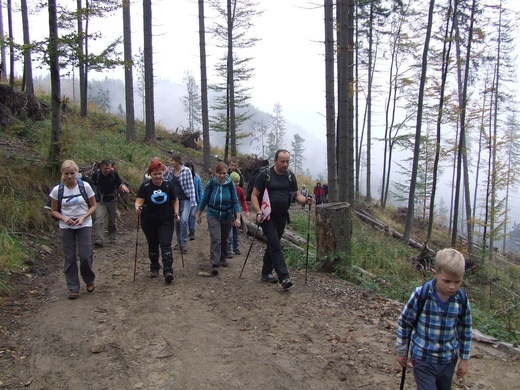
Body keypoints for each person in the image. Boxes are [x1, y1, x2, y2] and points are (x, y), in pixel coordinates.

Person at [396, 248, 472, 390]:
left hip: (448, 360)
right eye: (447, 281)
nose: (452, 286)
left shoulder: (461, 300)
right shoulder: (421, 295)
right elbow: (405, 322)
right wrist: (401, 350)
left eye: (457, 282)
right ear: (435, 273)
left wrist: (464, 359)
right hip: (423, 358)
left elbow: (465, 330)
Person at [251, 149, 312, 289]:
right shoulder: (265, 175)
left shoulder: (290, 176)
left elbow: (297, 195)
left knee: (273, 244)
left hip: (282, 217)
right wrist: (259, 212)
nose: (285, 164)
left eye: (287, 161)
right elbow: (254, 195)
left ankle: (266, 273)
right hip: (267, 217)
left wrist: (306, 200)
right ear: (275, 161)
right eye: (282, 161)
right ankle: (284, 277)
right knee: (275, 245)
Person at [49, 160, 97, 300]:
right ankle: (73, 287)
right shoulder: (57, 190)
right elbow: (53, 210)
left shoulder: (85, 186)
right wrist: (64, 218)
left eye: (72, 173)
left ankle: (89, 279)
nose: (70, 176)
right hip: (66, 226)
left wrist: (83, 217)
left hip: (84, 224)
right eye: (67, 173)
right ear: (62, 174)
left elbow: (93, 205)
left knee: (85, 255)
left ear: (77, 173)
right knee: (69, 257)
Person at [135, 160, 180, 284]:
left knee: (165, 244)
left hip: (166, 219)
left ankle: (168, 270)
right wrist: (138, 207)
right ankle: (154, 266)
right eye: (155, 174)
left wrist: (176, 212)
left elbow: (175, 200)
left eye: (160, 173)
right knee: (153, 244)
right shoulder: (145, 187)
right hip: (149, 220)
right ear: (150, 174)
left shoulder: (168, 185)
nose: (158, 176)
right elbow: (139, 201)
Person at [196, 162, 241, 276]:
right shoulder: (211, 184)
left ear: (227, 173)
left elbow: (235, 201)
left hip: (227, 215)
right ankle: (215, 263)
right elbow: (204, 200)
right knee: (216, 238)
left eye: (224, 173)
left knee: (225, 238)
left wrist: (238, 218)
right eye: (220, 173)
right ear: (216, 173)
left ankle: (223, 257)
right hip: (213, 214)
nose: (222, 175)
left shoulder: (231, 185)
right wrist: (199, 214)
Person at [91, 159, 129, 247]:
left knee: (112, 220)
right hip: (101, 200)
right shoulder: (96, 175)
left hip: (112, 199)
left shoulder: (113, 174)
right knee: (99, 218)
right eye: (105, 168)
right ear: (101, 167)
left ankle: (112, 237)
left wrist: (122, 186)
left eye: (109, 168)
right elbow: (92, 184)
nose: (107, 170)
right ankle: (99, 239)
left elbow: (119, 182)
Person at [165, 153, 197, 253]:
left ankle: (183, 243)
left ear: (177, 161)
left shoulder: (186, 171)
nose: (170, 162)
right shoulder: (170, 172)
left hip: (186, 199)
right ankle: (178, 241)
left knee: (183, 220)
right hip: (175, 200)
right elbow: (165, 182)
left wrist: (193, 202)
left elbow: (191, 186)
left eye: (172, 160)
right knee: (176, 221)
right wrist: (165, 173)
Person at [227, 171, 249, 258]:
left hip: (237, 214)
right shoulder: (227, 189)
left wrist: (246, 210)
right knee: (230, 233)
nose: (237, 183)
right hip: (229, 213)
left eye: (238, 181)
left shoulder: (239, 190)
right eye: (235, 181)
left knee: (236, 231)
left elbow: (243, 200)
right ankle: (228, 250)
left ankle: (236, 248)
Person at [184, 161, 204, 241]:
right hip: (186, 200)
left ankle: (192, 231)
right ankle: (188, 230)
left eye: (190, 167)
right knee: (187, 216)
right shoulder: (182, 177)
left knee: (192, 215)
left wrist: (201, 200)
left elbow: (200, 189)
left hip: (195, 200)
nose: (189, 169)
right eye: (188, 167)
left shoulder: (196, 177)